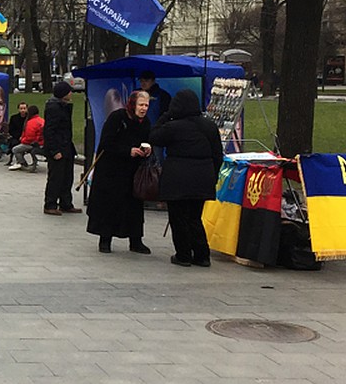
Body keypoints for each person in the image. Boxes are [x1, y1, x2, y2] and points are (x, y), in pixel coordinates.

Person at [149, 88, 224, 267]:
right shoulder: (209, 126)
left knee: (178, 217)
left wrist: (166, 115)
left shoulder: (174, 127)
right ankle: (202, 255)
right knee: (195, 217)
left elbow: (154, 136)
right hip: (202, 177)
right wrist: (212, 175)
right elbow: (217, 155)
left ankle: (183, 254)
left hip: (178, 177)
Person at [86, 91, 152, 253]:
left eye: (146, 105)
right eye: (141, 105)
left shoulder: (145, 122)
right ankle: (105, 239)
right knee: (110, 206)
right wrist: (128, 150)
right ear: (133, 104)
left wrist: (147, 149)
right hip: (111, 171)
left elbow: (147, 139)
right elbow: (106, 143)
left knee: (134, 207)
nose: (144, 108)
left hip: (132, 171)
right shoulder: (118, 117)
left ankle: (135, 240)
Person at [42, 81, 79, 215]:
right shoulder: (54, 108)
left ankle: (66, 202)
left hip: (66, 146)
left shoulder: (63, 106)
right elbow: (49, 131)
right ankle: (50, 204)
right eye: (69, 91)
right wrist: (54, 150)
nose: (71, 93)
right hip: (58, 148)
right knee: (56, 177)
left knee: (67, 177)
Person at [9, 105, 44, 171]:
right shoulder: (42, 120)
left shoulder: (31, 122)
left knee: (15, 149)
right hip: (41, 143)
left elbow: (29, 138)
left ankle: (22, 163)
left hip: (33, 144)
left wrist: (22, 140)